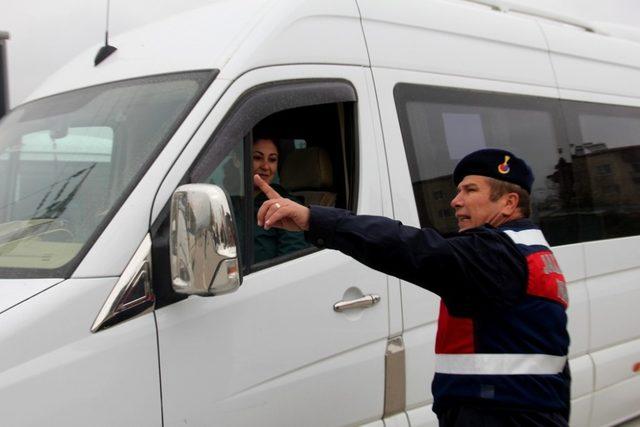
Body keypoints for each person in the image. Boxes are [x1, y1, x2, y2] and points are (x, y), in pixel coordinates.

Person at [254, 148, 571, 426]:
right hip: (529, 410)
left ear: (508, 202)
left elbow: (407, 246)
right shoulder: (532, 249)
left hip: (499, 414)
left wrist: (315, 219)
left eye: (469, 190)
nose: (455, 201)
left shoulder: (494, 254)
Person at [251, 137, 308, 263]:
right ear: (240, 161)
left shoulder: (286, 205)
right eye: (257, 158)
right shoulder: (232, 201)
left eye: (272, 159)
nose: (265, 166)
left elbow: (292, 260)